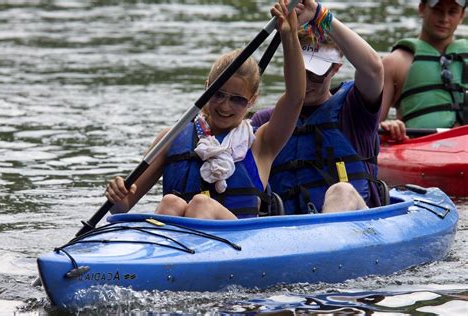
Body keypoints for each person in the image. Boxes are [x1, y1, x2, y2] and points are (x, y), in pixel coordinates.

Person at [104, 0, 306, 220]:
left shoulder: (262, 143)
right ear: (207, 88)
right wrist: (117, 194)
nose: (225, 106)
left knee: (202, 204)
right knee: (170, 202)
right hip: (180, 243)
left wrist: (289, 35)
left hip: (239, 243)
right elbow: (122, 207)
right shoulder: (170, 138)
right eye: (218, 94)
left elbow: (296, 98)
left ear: (252, 101)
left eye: (237, 100)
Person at [251, 0, 384, 214]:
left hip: (352, 224)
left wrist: (319, 14)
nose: (305, 82)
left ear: (336, 69)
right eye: (300, 71)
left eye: (315, 74)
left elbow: (374, 70)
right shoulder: (264, 123)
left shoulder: (354, 110)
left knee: (342, 191)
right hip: (284, 232)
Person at [379, 0, 467, 141]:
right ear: (422, 9)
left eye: (452, 12)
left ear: (462, 15)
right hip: (420, 149)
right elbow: (366, 130)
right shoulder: (394, 64)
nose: (444, 19)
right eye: (437, 10)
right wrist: (389, 126)